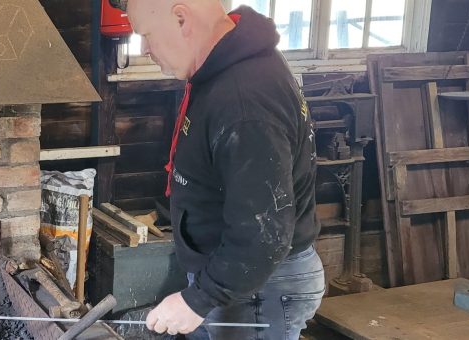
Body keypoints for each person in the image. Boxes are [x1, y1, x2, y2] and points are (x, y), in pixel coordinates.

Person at [109, 1, 323, 339]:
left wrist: (198, 300)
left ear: (181, 19)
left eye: (145, 35)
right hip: (240, 276)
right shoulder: (223, 66)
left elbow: (264, 234)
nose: (146, 49)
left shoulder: (244, 100)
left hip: (259, 285)